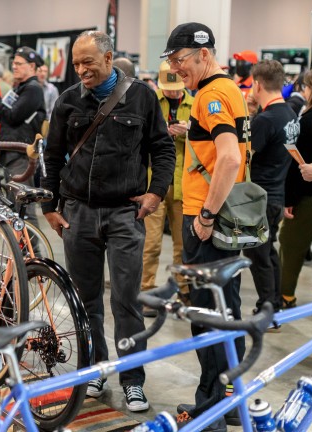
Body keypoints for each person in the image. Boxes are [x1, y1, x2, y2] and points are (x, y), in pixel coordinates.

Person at [41, 30, 175, 412]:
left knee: (126, 300)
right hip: (78, 213)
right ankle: (95, 368)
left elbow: (162, 148)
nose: (81, 70)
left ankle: (132, 378)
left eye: (88, 62)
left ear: (109, 58)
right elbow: (52, 156)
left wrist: (156, 193)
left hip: (124, 213)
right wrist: (50, 205)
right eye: (76, 63)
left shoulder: (143, 97)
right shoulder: (67, 101)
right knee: (85, 300)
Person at [161, 22, 250, 431]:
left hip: (210, 222)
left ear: (204, 54)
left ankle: (209, 409)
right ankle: (228, 401)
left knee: (207, 315)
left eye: (180, 60)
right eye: (172, 62)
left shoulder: (211, 94)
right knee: (225, 311)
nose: (176, 69)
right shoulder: (227, 88)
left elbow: (229, 158)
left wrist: (206, 216)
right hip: (226, 219)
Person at [241, 60, 297, 329]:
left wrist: (251, 119)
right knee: (268, 252)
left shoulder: (265, 120)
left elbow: (246, 154)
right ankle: (274, 303)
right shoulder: (290, 114)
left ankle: (268, 311)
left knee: (259, 256)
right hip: (277, 194)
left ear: (258, 84)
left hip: (258, 198)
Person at [140, 60, 193, 317]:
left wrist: (189, 131)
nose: (173, 92)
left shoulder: (195, 104)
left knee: (182, 245)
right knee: (150, 243)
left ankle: (184, 292)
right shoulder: (150, 102)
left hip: (185, 185)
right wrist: (163, 134)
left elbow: (210, 140)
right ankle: (147, 292)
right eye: (169, 88)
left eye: (177, 88)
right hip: (155, 183)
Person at [279, 66, 312, 312]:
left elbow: (296, 165)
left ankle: (285, 296)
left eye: (308, 86)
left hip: (308, 197)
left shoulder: (309, 120)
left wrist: (289, 199)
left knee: (291, 246)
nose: (304, 90)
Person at [0, 46, 46, 223]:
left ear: (31, 66)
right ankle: (21, 250)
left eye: (19, 64)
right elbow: (1, 116)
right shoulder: (20, 88)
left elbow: (13, 115)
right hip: (11, 153)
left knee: (23, 208)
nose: (14, 67)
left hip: (21, 155)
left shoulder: (33, 89)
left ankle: (33, 251)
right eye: (13, 64)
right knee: (15, 207)